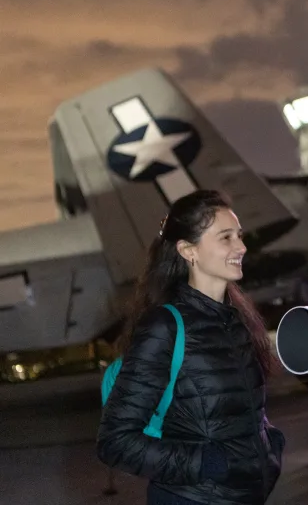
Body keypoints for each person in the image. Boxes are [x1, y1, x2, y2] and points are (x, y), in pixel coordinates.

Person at [97, 190, 285, 505]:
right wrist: (210, 463)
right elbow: (116, 442)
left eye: (239, 235)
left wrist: (269, 444)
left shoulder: (237, 320)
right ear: (188, 250)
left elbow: (241, 410)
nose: (241, 246)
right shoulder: (165, 326)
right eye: (226, 238)